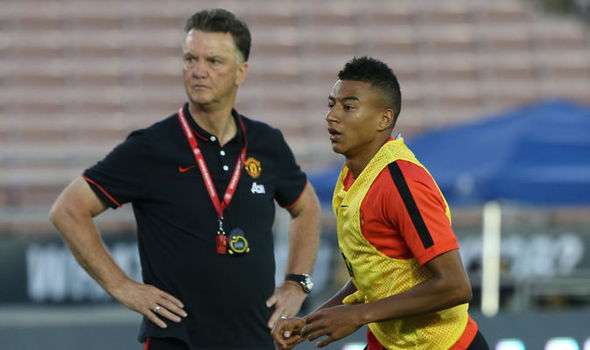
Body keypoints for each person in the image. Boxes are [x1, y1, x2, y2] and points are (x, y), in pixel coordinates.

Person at [50, 8, 321, 350]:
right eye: (190, 58)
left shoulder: (267, 143)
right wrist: (122, 286)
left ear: (241, 72)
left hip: (255, 337)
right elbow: (68, 209)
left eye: (213, 61)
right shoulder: (151, 147)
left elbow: (306, 206)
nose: (198, 71)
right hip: (177, 341)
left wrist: (297, 283)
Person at [272, 57, 489, 350]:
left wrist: (358, 315)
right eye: (331, 104)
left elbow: (455, 286)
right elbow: (371, 277)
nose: (331, 116)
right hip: (391, 341)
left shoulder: (402, 183)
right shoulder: (352, 176)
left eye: (348, 107)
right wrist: (311, 322)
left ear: (384, 119)